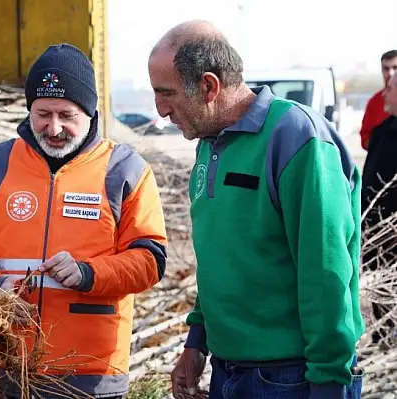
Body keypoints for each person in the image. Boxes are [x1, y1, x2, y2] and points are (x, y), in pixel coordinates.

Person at [0, 43, 168, 399]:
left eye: (67, 115)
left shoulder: (124, 170)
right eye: (43, 113)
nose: (54, 127)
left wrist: (88, 274)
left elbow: (150, 260)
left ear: (89, 113)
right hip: (7, 364)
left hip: (91, 374)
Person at [147, 20, 364, 398]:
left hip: (291, 378)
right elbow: (223, 256)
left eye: (166, 93)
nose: (160, 109)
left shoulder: (297, 137)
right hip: (227, 372)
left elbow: (325, 270)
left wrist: (329, 381)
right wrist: (197, 341)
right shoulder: (208, 144)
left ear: (209, 87)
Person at [361, 72, 397, 345]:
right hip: (375, 228)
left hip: (393, 228)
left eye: (391, 89)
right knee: (379, 290)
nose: (383, 93)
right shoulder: (382, 131)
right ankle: (384, 339)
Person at [359, 50, 397, 150]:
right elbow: (365, 138)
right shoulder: (374, 102)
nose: (390, 73)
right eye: (386, 68)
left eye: (395, 68)